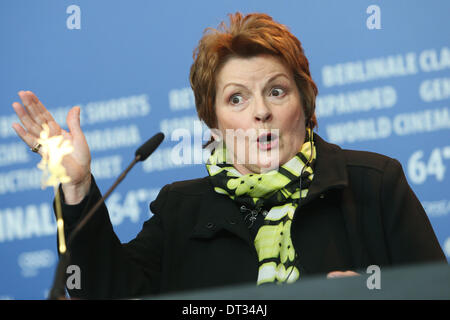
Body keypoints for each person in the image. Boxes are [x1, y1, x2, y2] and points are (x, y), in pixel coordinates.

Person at [12, 12, 446, 299]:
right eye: (236, 99)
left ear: (306, 102)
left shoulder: (372, 184)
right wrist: (76, 186)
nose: (261, 112)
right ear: (214, 123)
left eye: (276, 91)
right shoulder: (181, 210)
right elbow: (101, 290)